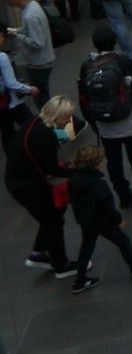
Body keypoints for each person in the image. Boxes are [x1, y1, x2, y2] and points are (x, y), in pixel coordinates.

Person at [77, 26, 132, 210]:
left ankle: (124, 196)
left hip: (104, 125)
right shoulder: (124, 62)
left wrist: (93, 122)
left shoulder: (87, 67)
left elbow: (83, 98)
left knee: (114, 162)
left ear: (94, 44)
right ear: (114, 42)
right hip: (129, 120)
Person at [67, 145, 132, 293]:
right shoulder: (98, 184)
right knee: (123, 241)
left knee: (87, 246)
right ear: (97, 164)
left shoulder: (74, 178)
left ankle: (80, 280)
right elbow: (108, 207)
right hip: (101, 220)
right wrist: (118, 221)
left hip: (85, 219)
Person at [5, 96, 77, 278]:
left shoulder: (34, 122)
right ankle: (61, 265)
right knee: (53, 220)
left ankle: (39, 253)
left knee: (51, 217)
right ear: (56, 115)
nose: (68, 122)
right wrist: (77, 171)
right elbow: (51, 168)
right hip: (28, 185)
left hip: (18, 181)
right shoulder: (45, 135)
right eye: (66, 117)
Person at [1, 0, 56, 107]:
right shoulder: (33, 5)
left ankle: (55, 122)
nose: (6, 3)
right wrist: (15, 30)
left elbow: (37, 43)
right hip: (44, 59)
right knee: (43, 96)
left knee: (42, 99)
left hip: (39, 62)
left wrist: (17, 35)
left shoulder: (29, 16)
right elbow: (30, 30)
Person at [0, 27, 38, 156]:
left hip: (2, 106)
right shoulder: (2, 57)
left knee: (7, 133)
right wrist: (29, 89)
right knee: (33, 127)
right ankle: (39, 160)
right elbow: (11, 83)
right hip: (10, 102)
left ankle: (13, 163)